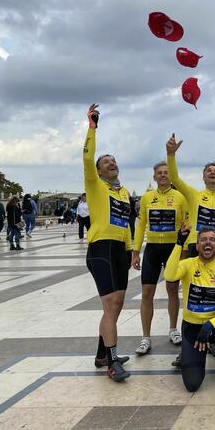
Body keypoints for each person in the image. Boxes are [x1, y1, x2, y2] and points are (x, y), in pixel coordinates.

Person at [83, 103, 132, 382]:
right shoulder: (96, 185)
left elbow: (126, 225)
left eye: (114, 161)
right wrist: (92, 128)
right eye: (106, 162)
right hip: (101, 249)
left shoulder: (123, 192)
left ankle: (103, 353)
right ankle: (112, 362)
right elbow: (88, 158)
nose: (111, 164)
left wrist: (130, 250)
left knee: (118, 304)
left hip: (119, 251)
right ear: (99, 171)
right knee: (110, 305)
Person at [164, 226, 215, 390]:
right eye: (203, 240)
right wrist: (179, 243)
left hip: (214, 328)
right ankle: (190, 354)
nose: (207, 243)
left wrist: (210, 325)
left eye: (212, 240)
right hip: (192, 330)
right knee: (192, 384)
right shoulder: (188, 264)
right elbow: (169, 275)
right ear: (197, 246)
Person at [132, 161, 189, 355]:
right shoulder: (147, 198)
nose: (164, 175)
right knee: (147, 293)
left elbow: (186, 225)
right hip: (153, 249)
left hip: (173, 249)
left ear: (171, 176)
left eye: (166, 172)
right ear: (154, 176)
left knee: (172, 289)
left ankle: (173, 329)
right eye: (160, 173)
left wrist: (184, 251)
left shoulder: (180, 197)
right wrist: (135, 251)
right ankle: (145, 337)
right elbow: (141, 226)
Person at [166, 134, 215, 264]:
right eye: (209, 171)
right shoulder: (193, 195)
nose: (212, 172)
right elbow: (174, 178)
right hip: (196, 244)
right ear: (203, 178)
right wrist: (171, 155)